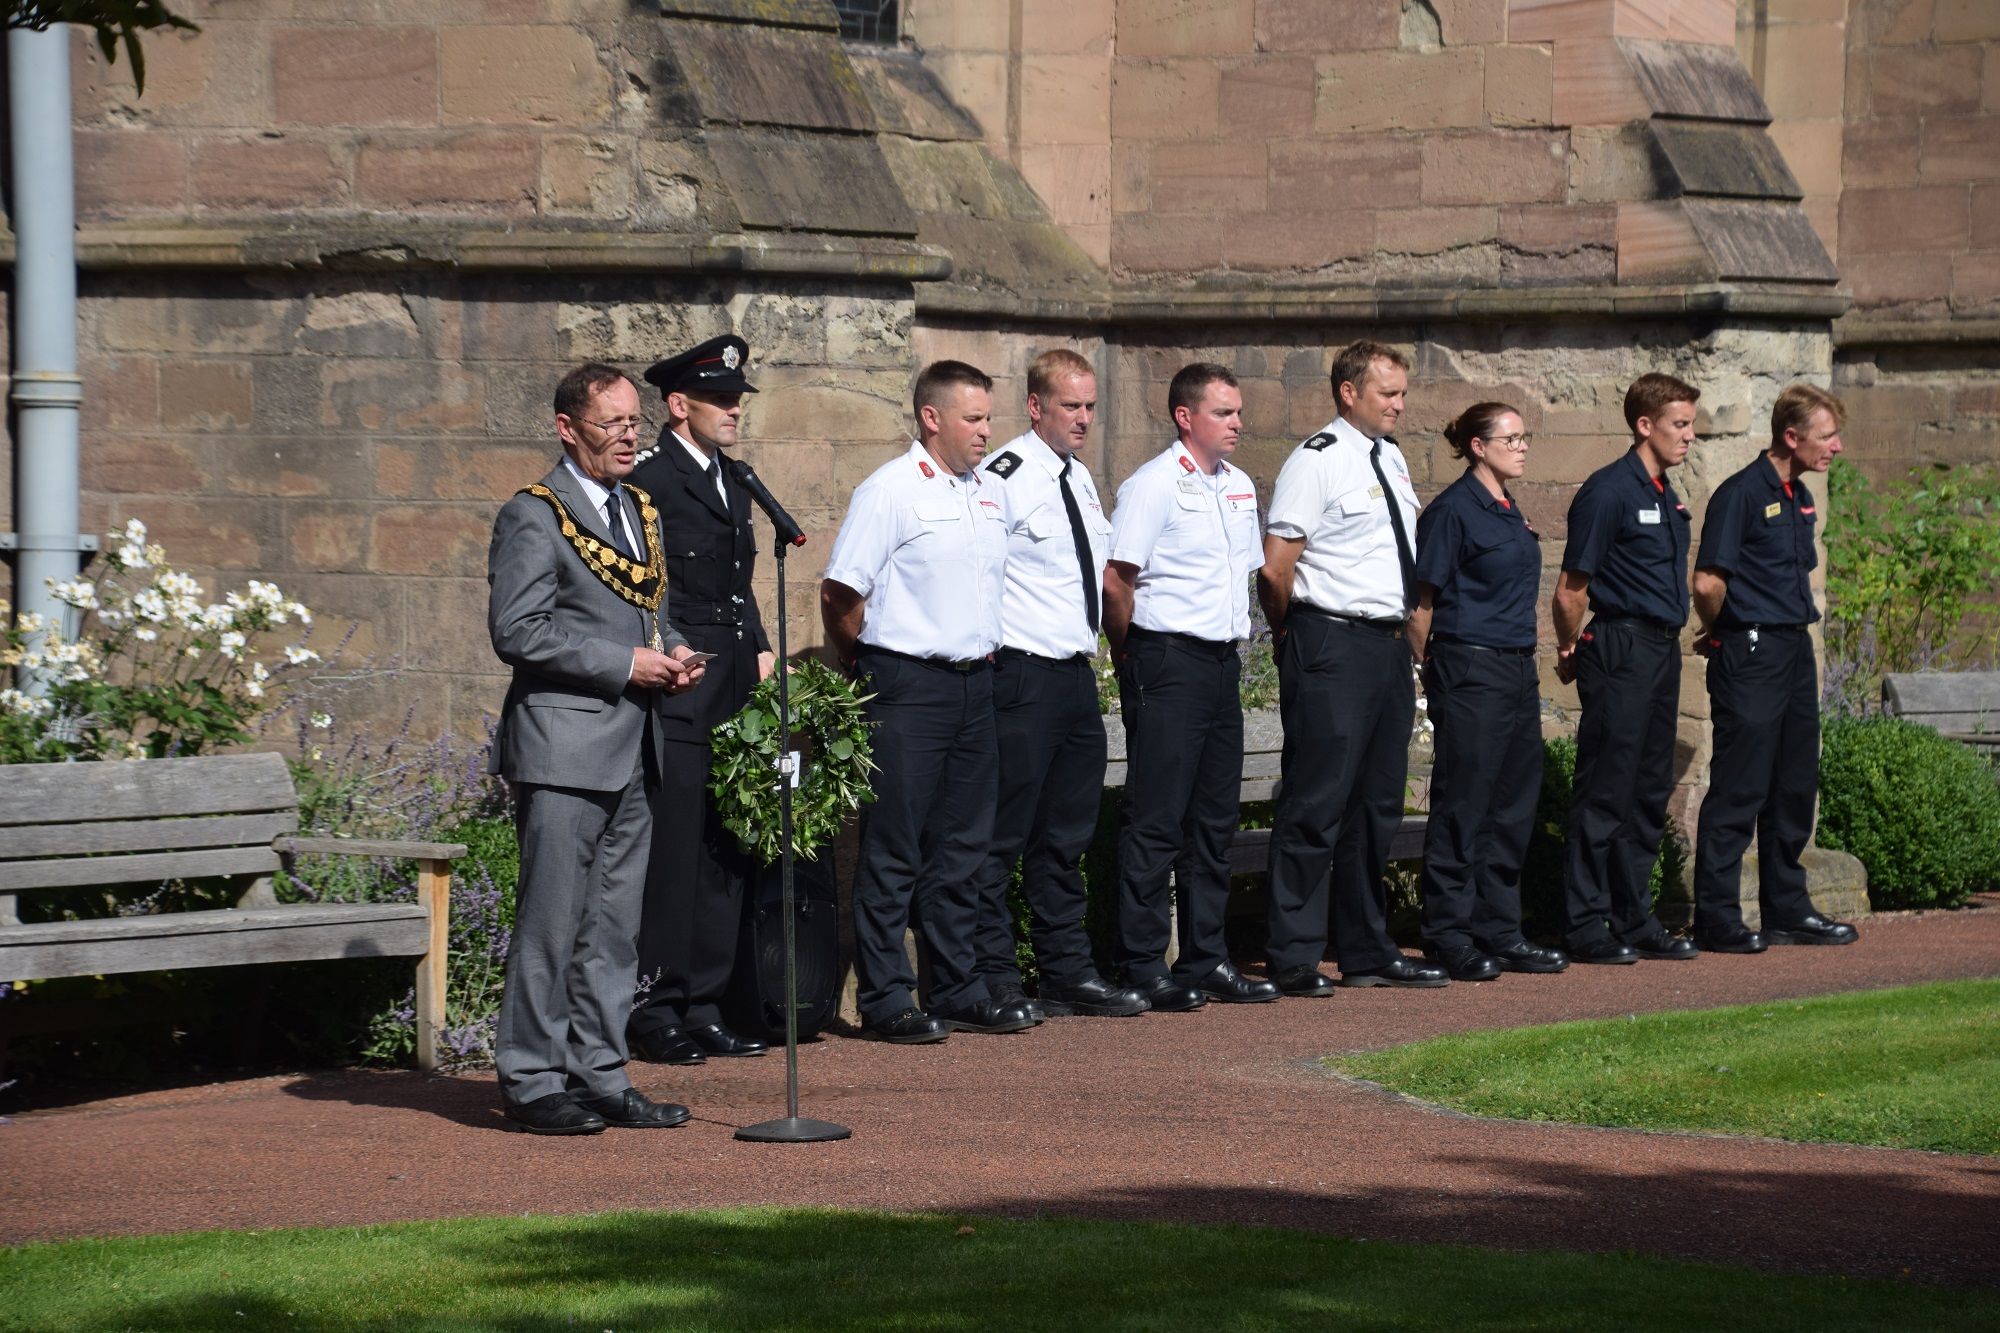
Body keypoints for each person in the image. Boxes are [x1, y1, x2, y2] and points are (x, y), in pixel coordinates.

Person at [486, 361, 706, 1134]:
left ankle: (600, 1072)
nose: (628, 435)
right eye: (612, 423)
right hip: (563, 750)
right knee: (552, 924)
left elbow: (650, 615)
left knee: (613, 929)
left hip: (636, 744)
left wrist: (673, 650)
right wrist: (624, 665)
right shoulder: (534, 515)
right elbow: (517, 629)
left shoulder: (638, 508)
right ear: (567, 427)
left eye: (634, 422)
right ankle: (532, 1079)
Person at [821, 360, 1034, 1042]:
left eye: (989, 418)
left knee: (964, 845)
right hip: (907, 684)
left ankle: (959, 985)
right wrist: (866, 664)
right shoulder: (890, 490)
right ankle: (886, 996)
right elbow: (840, 593)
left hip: (977, 683)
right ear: (932, 417)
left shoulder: (989, 491)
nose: (986, 431)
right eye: (973, 418)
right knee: (895, 845)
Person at [1258, 342, 1448, 991]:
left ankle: (1366, 948)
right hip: (1331, 638)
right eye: (1388, 393)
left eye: (1402, 393)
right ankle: (1293, 953)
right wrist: (1290, 633)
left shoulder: (1389, 456)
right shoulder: (1316, 460)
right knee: (1317, 799)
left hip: (1386, 645)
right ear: (1348, 392)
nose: (1400, 405)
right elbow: (1276, 567)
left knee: (1376, 806)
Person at [972, 349, 1149, 1020]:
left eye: (1091, 406)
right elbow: (980, 572)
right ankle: (993, 976)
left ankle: (1066, 971)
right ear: (1036, 406)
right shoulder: (1005, 476)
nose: (1084, 418)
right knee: (1002, 836)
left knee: (1065, 837)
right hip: (1021, 674)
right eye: (1070, 405)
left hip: (1075, 674)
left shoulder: (1077, 477)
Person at [1104, 362, 1277, 1010]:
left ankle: (1206, 958)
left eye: (1238, 411)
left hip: (1221, 663)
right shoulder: (1152, 485)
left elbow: (1244, 573)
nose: (1237, 423)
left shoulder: (1239, 485)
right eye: (1223, 412)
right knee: (1157, 816)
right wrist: (1130, 653)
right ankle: (1143, 962)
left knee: (1213, 820)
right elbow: (1118, 581)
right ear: (1185, 416)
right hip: (1167, 658)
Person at [622, 334, 775, 1067]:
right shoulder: (650, 480)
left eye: (737, 399)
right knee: (676, 848)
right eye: (719, 399)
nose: (733, 410)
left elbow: (739, 583)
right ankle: (656, 1007)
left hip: (735, 677)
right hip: (683, 679)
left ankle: (708, 1003)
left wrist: (764, 647)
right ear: (679, 404)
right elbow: (642, 587)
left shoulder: (734, 479)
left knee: (726, 844)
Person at [1688, 383, 1860, 953]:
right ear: (1791, 436)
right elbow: (1707, 583)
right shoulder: (1741, 494)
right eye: (1826, 435)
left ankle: (1787, 910)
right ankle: (1717, 918)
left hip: (1794, 649)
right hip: (1752, 649)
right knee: (1741, 786)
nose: (1836, 446)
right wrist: (1722, 632)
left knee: (1793, 783)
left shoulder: (1799, 495)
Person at [1406, 404, 1571, 980]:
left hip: (1516, 669)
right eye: (1511, 438)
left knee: (1512, 805)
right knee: (1464, 803)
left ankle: (1500, 930)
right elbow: (1421, 606)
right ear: (1478, 446)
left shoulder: (1507, 506)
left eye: (1525, 437)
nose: (1523, 447)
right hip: (1470, 666)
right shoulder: (1454, 511)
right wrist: (1434, 671)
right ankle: (1449, 934)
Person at [1553, 373, 1705, 965]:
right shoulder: (1609, 490)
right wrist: (1571, 648)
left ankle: (1633, 918)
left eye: (1691, 424)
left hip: (1661, 651)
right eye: (1679, 424)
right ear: (1645, 425)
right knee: (1606, 789)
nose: (1689, 435)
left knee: (1646, 791)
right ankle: (1583, 923)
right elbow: (1571, 591)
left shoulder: (1666, 493)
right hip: (1620, 644)